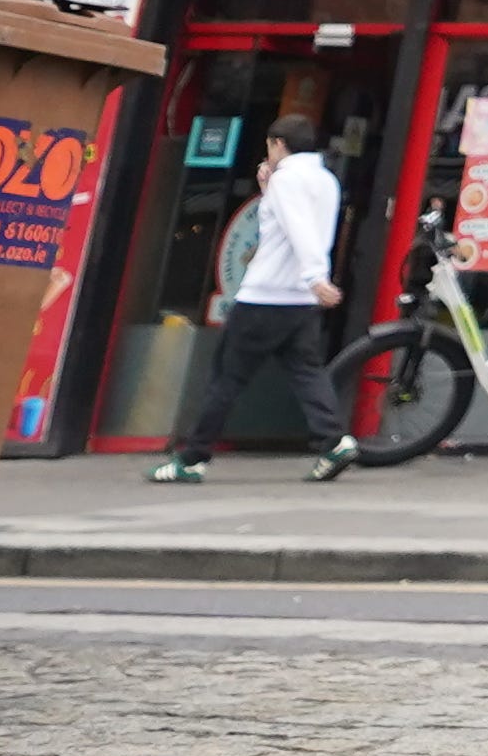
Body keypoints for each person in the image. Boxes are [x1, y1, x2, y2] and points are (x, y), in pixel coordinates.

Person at [147, 108, 343, 480]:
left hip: (265, 295)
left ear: (278, 144)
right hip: (299, 299)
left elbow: (296, 228)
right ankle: (334, 441)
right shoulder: (325, 180)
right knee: (306, 371)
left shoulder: (288, 179)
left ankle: (193, 458)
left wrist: (316, 275)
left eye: (270, 147)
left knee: (227, 378)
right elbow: (294, 224)